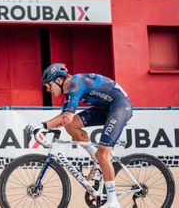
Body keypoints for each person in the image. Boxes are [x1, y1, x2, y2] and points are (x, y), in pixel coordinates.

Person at [25, 63, 132, 208]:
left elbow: (65, 117)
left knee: (103, 154)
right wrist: (45, 126)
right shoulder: (69, 92)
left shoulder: (75, 83)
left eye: (48, 85)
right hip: (106, 108)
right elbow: (66, 119)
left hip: (120, 107)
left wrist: (42, 126)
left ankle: (113, 202)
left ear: (58, 80)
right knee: (71, 125)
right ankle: (97, 160)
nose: (48, 90)